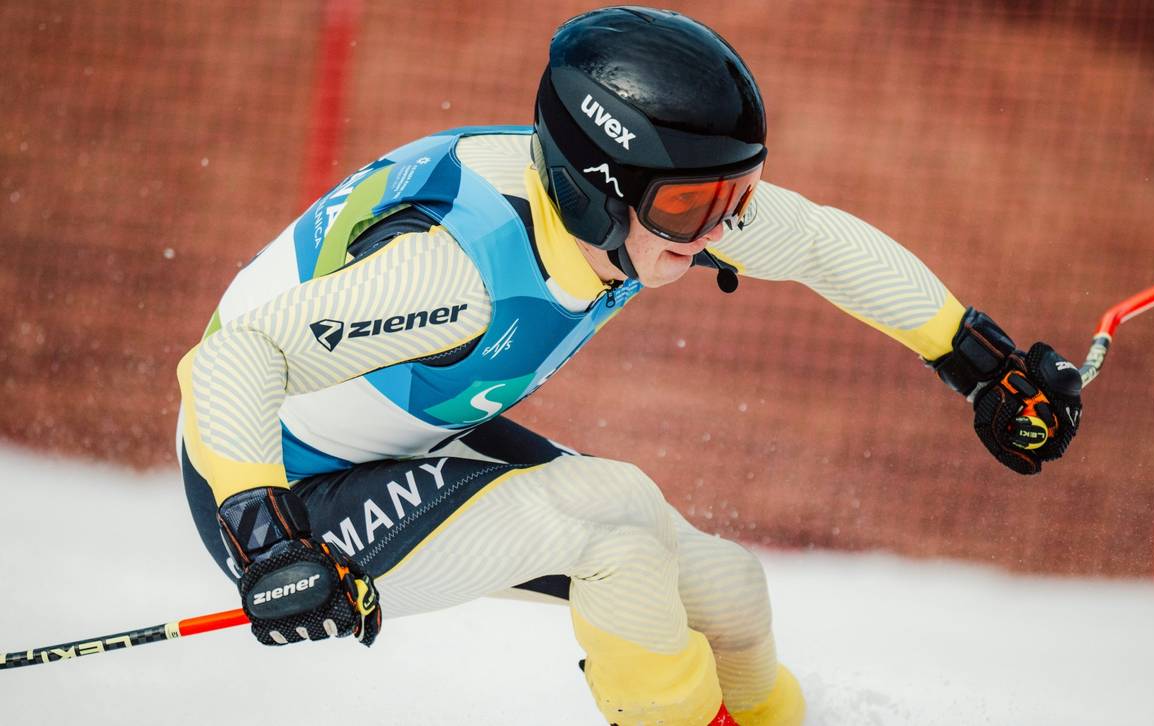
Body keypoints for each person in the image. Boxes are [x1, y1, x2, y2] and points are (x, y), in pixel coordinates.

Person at [175, 6, 1083, 725]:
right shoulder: (456, 276)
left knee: (724, 585)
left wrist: (977, 360)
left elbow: (814, 244)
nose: (723, 231)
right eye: (694, 207)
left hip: (403, 433)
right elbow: (229, 360)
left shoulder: (637, 215)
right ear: (594, 189)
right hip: (278, 482)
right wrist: (268, 539)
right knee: (618, 560)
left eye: (738, 196)